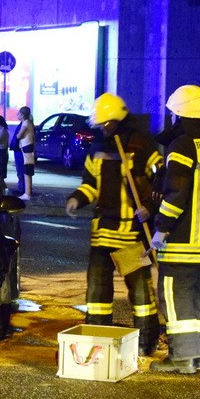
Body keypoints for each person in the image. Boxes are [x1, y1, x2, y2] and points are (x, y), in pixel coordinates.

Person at [65, 93, 164, 356]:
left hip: (131, 235)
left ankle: (146, 340)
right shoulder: (97, 148)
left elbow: (161, 182)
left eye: (105, 124)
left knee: (141, 294)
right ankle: (98, 337)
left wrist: (150, 208)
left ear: (116, 120)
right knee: (97, 293)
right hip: (104, 235)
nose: (101, 128)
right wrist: (77, 199)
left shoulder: (142, 145)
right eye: (99, 125)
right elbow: (90, 185)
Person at [149, 85, 200, 374]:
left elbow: (177, 193)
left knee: (175, 295)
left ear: (180, 113)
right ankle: (198, 357)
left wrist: (162, 229)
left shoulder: (181, 146)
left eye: (173, 114)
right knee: (199, 297)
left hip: (182, 242)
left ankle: (181, 358)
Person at [10, 106, 35, 199]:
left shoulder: (26, 123)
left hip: (26, 148)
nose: (17, 115)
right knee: (26, 171)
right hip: (26, 148)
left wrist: (16, 136)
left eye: (18, 113)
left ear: (22, 114)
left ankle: (27, 193)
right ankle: (27, 192)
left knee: (26, 171)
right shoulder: (28, 122)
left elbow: (19, 135)